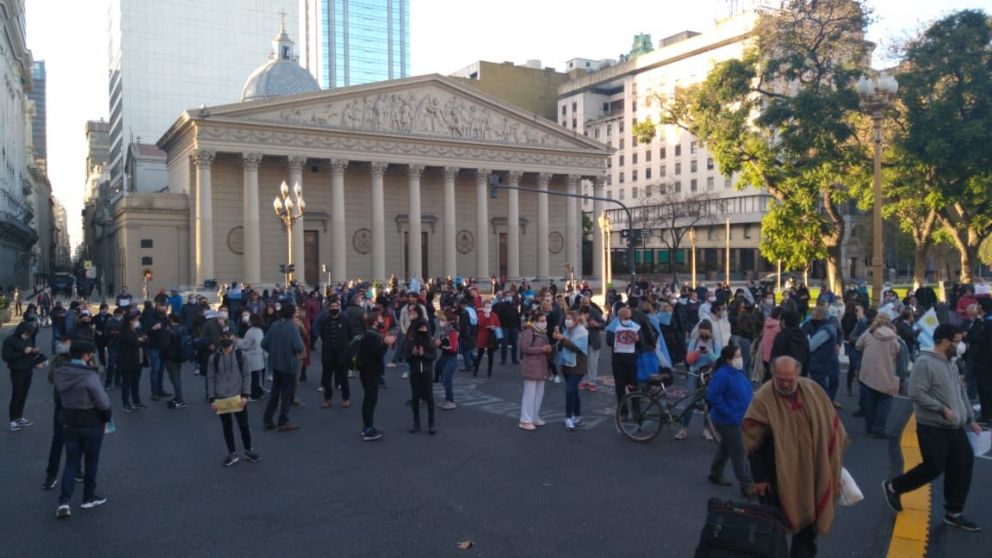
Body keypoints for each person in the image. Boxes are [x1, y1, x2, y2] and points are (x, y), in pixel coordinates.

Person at [743, 356, 850, 557]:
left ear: (798, 375)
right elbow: (753, 439)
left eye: (789, 380)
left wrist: (832, 464)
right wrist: (759, 478)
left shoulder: (813, 390)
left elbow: (832, 426)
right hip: (778, 475)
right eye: (780, 379)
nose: (785, 384)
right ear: (773, 375)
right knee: (774, 527)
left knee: (808, 530)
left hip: (812, 470)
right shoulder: (763, 397)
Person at [883, 324, 983, 532]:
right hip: (933, 426)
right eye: (957, 341)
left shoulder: (951, 363)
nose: (961, 345)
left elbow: (960, 393)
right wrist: (941, 409)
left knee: (963, 464)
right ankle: (894, 487)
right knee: (934, 467)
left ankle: (954, 513)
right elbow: (916, 393)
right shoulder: (925, 363)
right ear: (945, 342)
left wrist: (970, 418)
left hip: (955, 427)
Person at [53, 340, 112, 519]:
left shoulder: (60, 372)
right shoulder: (88, 375)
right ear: (86, 356)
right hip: (90, 422)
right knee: (91, 460)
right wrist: (107, 418)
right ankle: (88, 497)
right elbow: (103, 402)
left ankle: (64, 501)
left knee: (71, 461)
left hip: (69, 420)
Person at [706, 344, 754, 496]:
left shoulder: (738, 371)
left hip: (736, 417)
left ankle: (716, 472)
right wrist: (729, 413)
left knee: (727, 447)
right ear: (728, 359)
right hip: (727, 420)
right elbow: (712, 396)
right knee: (739, 451)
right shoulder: (722, 375)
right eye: (737, 356)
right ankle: (746, 484)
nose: (740, 359)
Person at [208, 332, 260, 467]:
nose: (226, 339)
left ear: (234, 338)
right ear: (220, 339)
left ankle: (248, 450)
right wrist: (211, 398)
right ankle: (232, 453)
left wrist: (246, 395)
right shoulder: (213, 358)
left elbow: (247, 375)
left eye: (229, 336)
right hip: (221, 398)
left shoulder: (242, 355)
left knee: (244, 425)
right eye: (223, 337)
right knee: (227, 427)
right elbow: (210, 378)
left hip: (238, 396)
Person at [261, 304, 305, 432]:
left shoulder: (275, 325)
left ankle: (268, 419)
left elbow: (264, 343)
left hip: (276, 364)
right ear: (292, 314)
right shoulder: (292, 327)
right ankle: (283, 420)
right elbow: (299, 347)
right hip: (289, 365)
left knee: (275, 393)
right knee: (287, 394)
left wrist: (274, 351)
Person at [855, 315, 900, 438]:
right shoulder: (892, 335)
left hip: (868, 372)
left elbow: (858, 345)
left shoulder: (869, 332)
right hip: (886, 371)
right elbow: (897, 351)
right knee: (885, 400)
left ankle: (869, 428)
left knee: (870, 400)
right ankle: (878, 429)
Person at [355, 311, 396, 441]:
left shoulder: (370, 334)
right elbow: (378, 353)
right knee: (370, 400)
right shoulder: (371, 336)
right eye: (380, 319)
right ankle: (368, 429)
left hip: (368, 370)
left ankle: (367, 426)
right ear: (374, 322)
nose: (382, 321)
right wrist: (386, 343)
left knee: (369, 399)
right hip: (370, 371)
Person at [3, 321, 44, 430]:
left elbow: (30, 353)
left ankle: (19, 417)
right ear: (21, 331)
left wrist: (34, 353)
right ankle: (12, 420)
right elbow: (6, 356)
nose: (28, 335)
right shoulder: (10, 341)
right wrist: (23, 352)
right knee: (17, 394)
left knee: (24, 394)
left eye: (30, 334)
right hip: (17, 371)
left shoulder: (29, 339)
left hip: (28, 369)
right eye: (27, 333)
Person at [315, 297, 355, 408]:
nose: (334, 308)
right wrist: (319, 337)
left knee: (343, 378)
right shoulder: (324, 320)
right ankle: (327, 399)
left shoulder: (345, 319)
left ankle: (345, 398)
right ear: (329, 308)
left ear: (339, 307)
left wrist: (347, 348)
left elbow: (351, 335)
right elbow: (318, 330)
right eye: (332, 307)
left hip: (342, 353)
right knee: (327, 378)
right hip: (328, 353)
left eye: (336, 306)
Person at [553, 310, 588, 431]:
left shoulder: (583, 332)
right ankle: (578, 416)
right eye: (566, 318)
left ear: (576, 320)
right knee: (574, 391)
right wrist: (559, 339)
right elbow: (561, 346)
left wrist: (562, 339)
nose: (567, 321)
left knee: (569, 391)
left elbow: (577, 348)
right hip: (566, 364)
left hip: (578, 366)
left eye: (569, 319)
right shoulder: (567, 330)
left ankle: (568, 418)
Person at [519, 310, 552, 431]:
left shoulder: (542, 333)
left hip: (541, 366)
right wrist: (542, 349)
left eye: (545, 321)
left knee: (538, 394)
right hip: (531, 366)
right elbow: (525, 348)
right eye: (541, 321)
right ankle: (525, 419)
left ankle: (534, 416)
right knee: (530, 394)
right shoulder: (529, 331)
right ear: (534, 322)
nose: (544, 323)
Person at [405, 318, 437, 434]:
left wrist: (424, 355)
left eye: (425, 327)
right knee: (415, 398)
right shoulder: (411, 341)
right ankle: (416, 423)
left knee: (430, 398)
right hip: (415, 372)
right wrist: (413, 354)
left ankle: (431, 423)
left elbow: (433, 356)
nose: (423, 330)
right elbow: (407, 358)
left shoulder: (430, 341)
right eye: (421, 328)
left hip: (427, 372)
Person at [608, 306, 640, 414]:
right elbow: (608, 341)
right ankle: (623, 411)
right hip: (618, 361)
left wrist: (637, 339)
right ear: (619, 317)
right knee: (620, 387)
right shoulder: (613, 326)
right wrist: (617, 340)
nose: (628, 320)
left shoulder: (634, 326)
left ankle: (636, 409)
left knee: (633, 386)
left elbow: (641, 342)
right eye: (626, 318)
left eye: (629, 317)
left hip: (631, 360)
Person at [117, 311, 147, 413]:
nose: (137, 322)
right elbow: (134, 342)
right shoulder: (125, 331)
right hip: (127, 361)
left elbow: (144, 340)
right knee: (127, 383)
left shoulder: (136, 330)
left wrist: (141, 339)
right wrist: (140, 340)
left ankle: (136, 401)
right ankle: (125, 404)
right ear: (130, 321)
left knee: (135, 383)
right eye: (136, 320)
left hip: (138, 360)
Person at [771, 309, 810, 379]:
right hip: (799, 375)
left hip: (782, 375)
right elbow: (807, 358)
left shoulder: (782, 336)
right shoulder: (803, 336)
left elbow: (775, 357)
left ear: (784, 321)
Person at [433, 311, 459, 410]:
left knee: (446, 379)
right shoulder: (443, 331)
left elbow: (453, 348)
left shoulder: (452, 332)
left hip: (451, 358)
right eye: (441, 320)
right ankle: (447, 399)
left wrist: (440, 346)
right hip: (444, 356)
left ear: (448, 321)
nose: (441, 321)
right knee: (442, 376)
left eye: (443, 320)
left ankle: (451, 401)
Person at [160, 314, 188, 409]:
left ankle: (180, 400)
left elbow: (165, 346)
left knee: (174, 378)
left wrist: (166, 354)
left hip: (171, 357)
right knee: (177, 377)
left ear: (171, 320)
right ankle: (177, 397)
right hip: (180, 356)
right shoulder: (183, 329)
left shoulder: (169, 330)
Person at [239, 314, 266, 401]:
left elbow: (246, 345)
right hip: (259, 355)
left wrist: (237, 341)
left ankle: (254, 394)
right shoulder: (260, 330)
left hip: (251, 356)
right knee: (257, 377)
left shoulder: (250, 332)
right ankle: (259, 392)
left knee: (252, 378)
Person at [473, 299, 501, 377]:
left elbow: (498, 325)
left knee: (490, 355)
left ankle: (489, 371)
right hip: (482, 335)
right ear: (483, 307)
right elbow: (480, 324)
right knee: (480, 354)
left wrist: (494, 327)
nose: (488, 308)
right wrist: (486, 316)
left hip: (491, 337)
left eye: (489, 306)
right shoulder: (480, 315)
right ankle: (476, 370)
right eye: (486, 306)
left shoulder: (494, 315)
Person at [493, 292, 520, 365]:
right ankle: (503, 359)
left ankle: (514, 359)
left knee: (514, 344)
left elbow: (517, 316)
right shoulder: (500, 305)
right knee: (504, 344)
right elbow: (497, 315)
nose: (509, 297)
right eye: (507, 296)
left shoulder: (513, 305)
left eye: (510, 296)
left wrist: (519, 327)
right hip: (504, 327)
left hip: (514, 327)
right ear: (504, 297)